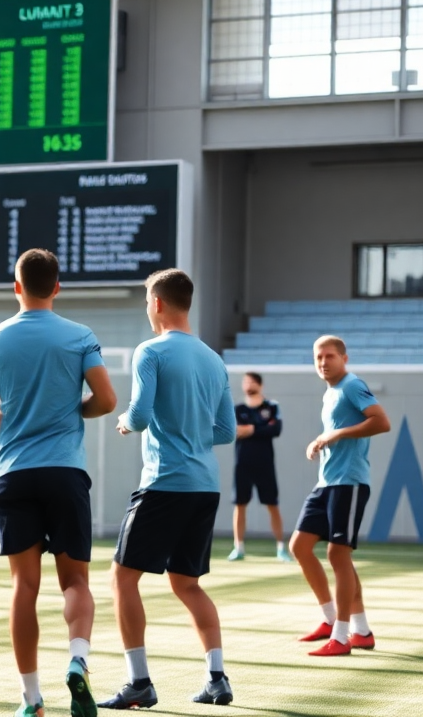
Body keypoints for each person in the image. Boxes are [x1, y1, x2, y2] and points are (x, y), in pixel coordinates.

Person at [0, 248, 116, 717]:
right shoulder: (80, 336)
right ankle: (78, 659)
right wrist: (73, 409)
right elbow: (107, 401)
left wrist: (15, 415)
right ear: (57, 287)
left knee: (24, 588)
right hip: (64, 471)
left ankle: (31, 698)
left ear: (17, 286)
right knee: (74, 580)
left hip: (13, 474)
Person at [99, 269, 236, 711]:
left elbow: (138, 416)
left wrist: (124, 422)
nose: (146, 308)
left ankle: (138, 681)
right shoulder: (215, 360)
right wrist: (191, 432)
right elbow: (226, 430)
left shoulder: (150, 351)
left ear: (157, 303)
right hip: (204, 486)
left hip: (164, 483)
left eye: (145, 301)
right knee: (187, 583)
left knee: (121, 579)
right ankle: (217, 678)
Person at [290, 335, 391, 657]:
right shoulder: (331, 392)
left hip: (350, 483)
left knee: (337, 554)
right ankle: (344, 625)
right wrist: (320, 440)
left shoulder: (351, 386)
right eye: (318, 357)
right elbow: (337, 430)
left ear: (344, 358)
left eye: (329, 356)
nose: (323, 362)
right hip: (327, 483)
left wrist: (336, 434)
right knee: (300, 547)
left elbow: (381, 421)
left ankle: (343, 636)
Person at [228, 372, 291, 563]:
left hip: (265, 464)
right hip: (242, 463)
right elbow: (235, 431)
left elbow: (275, 429)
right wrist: (259, 429)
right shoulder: (237, 409)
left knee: (272, 504)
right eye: (246, 381)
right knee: (240, 505)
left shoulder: (271, 407)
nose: (248, 384)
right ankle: (238, 548)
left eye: (252, 381)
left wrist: (252, 429)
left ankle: (281, 548)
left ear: (260, 385)